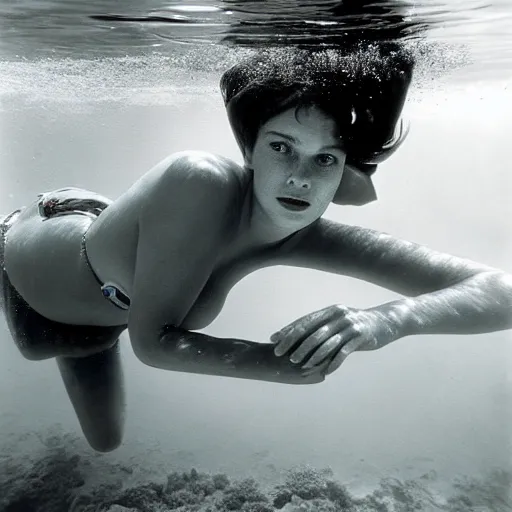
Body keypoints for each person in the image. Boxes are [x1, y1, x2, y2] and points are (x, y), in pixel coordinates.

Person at [1, 45, 511, 453]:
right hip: (26, 254)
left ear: (345, 172)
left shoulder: (309, 230)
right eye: (281, 146)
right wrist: (278, 366)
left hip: (97, 316)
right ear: (249, 150)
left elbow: (502, 290)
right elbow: (153, 344)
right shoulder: (198, 179)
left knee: (106, 444)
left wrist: (388, 320)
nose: (299, 178)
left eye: (325, 159)